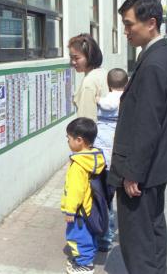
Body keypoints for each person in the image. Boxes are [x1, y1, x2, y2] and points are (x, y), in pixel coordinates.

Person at [108, 0, 167, 274]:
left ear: (151, 23)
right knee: (153, 232)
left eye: (129, 25)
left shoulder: (153, 63)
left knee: (138, 243)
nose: (125, 31)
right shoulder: (166, 57)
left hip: (142, 171)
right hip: (157, 166)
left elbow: (147, 124)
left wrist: (133, 172)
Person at [62, 117, 106, 274]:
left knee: (77, 236)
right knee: (88, 235)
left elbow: (75, 190)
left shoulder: (78, 165)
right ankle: (84, 259)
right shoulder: (94, 157)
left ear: (79, 140)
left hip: (79, 211)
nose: (67, 142)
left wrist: (70, 211)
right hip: (90, 206)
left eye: (68, 139)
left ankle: (84, 265)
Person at [94, 68, 128, 252]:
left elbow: (102, 103)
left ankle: (105, 239)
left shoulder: (104, 101)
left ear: (108, 84)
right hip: (121, 157)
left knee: (106, 200)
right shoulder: (128, 101)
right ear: (127, 83)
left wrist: (98, 99)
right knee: (123, 198)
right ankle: (124, 234)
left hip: (103, 160)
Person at [69, 33, 109, 122]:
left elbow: (86, 122)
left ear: (90, 56)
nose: (73, 62)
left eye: (77, 58)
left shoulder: (89, 82)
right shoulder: (103, 72)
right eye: (71, 58)